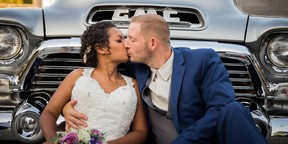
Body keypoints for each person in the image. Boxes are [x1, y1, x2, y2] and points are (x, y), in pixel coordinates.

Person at [63, 14, 268, 144]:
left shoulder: (203, 59)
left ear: (152, 43)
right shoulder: (134, 68)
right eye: (124, 39)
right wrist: (67, 107)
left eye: (131, 39)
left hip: (203, 140)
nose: (125, 45)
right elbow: (96, 77)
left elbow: (221, 108)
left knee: (234, 110)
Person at [39, 21, 148, 144]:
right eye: (119, 40)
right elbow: (48, 113)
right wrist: (53, 141)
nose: (127, 44)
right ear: (101, 48)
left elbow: (141, 132)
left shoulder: (132, 85)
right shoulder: (77, 77)